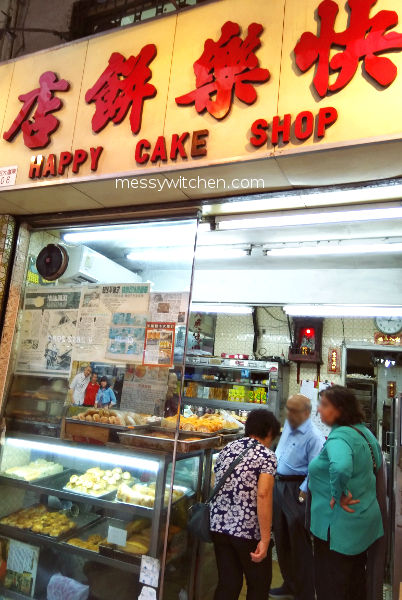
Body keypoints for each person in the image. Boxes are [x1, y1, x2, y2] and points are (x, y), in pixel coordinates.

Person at [308, 385, 383, 600]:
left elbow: (341, 467)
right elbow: (377, 464)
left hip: (338, 530)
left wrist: (337, 493)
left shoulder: (339, 437)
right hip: (362, 524)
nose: (319, 410)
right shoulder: (365, 432)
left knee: (331, 586)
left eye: (324, 405)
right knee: (355, 582)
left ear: (340, 409)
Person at [210, 408, 280, 600]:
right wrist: (265, 540)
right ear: (269, 432)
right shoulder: (266, 456)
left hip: (219, 526)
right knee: (258, 585)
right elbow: (264, 495)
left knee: (228, 583)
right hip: (247, 531)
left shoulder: (227, 449)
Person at [270, 394, 324, 600]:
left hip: (296, 490)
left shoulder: (314, 436)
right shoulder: (288, 429)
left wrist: (304, 491)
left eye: (294, 410)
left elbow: (316, 470)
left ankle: (305, 592)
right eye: (288, 409)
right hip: (279, 485)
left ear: (307, 413)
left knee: (298, 544)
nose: (289, 414)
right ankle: (289, 584)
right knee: (282, 540)